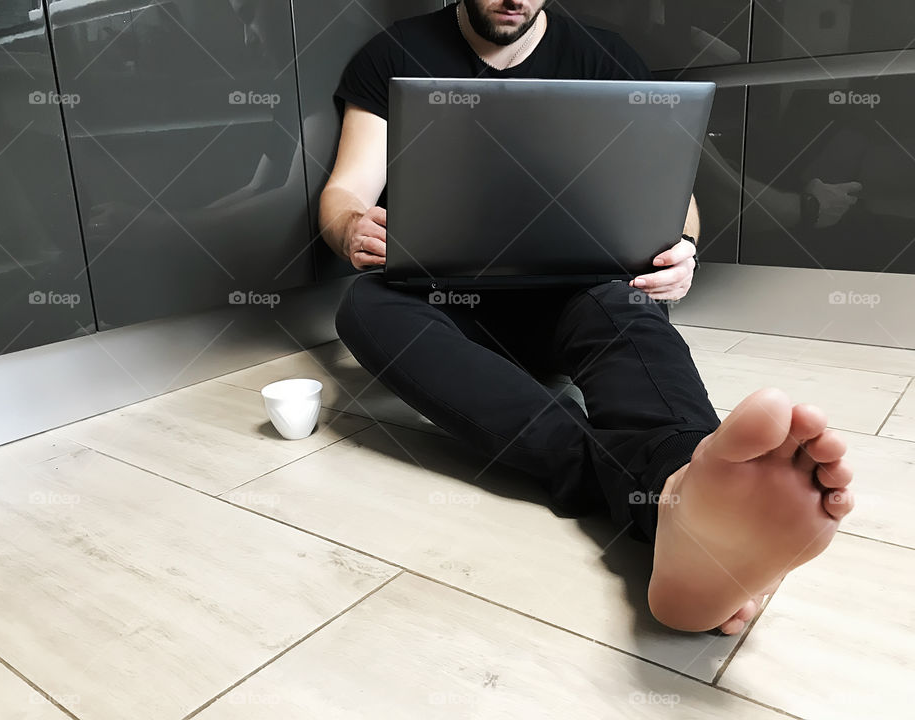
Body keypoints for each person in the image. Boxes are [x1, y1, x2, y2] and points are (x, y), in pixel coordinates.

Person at [319, 1, 855, 636]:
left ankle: (687, 470)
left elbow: (675, 207)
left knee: (621, 304)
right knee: (362, 303)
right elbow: (345, 191)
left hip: (571, 298)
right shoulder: (395, 54)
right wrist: (351, 226)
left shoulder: (605, 59)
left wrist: (680, 248)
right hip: (445, 308)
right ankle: (669, 501)